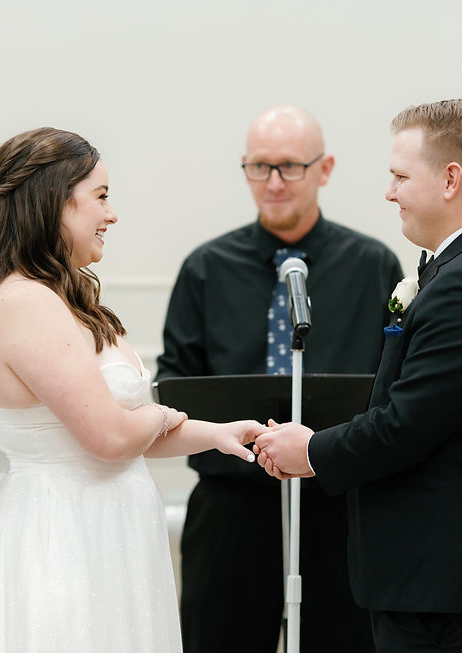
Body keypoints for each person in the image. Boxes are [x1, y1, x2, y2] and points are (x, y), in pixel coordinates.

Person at [0, 127, 264, 652]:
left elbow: (130, 432)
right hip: (61, 537)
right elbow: (110, 437)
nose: (112, 213)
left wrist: (216, 434)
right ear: (56, 202)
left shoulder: (72, 299)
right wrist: (163, 416)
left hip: (108, 533)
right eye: (101, 197)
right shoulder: (25, 301)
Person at [254, 99, 462, 652]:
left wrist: (312, 450)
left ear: (450, 179)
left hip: (452, 582)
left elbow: (409, 423)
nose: (388, 193)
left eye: (399, 177)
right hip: (436, 578)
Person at [157, 105, 402, 652]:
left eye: (289, 166)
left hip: (337, 506)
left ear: (325, 168)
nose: (273, 183)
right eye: (258, 167)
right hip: (232, 507)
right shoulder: (206, 268)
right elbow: (174, 385)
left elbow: (392, 388)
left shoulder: (373, 266)